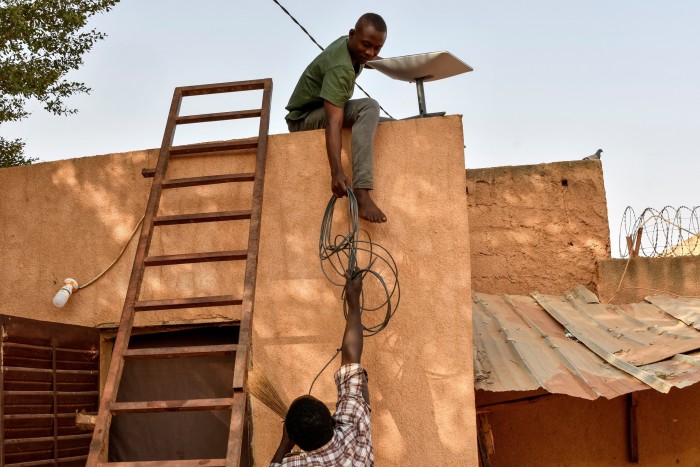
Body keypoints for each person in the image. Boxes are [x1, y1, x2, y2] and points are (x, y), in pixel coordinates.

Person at [285, 13, 388, 223]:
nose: (370, 52)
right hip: (303, 119)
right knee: (369, 107)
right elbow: (334, 122)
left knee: (384, 122)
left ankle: (362, 192)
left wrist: (401, 66)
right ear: (352, 35)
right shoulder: (339, 69)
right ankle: (362, 194)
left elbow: (368, 58)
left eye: (377, 48)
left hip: (319, 110)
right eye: (367, 45)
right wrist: (337, 172)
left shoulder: (350, 46)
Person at [269, 273, 373, 466]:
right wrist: (354, 303)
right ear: (333, 420)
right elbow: (351, 360)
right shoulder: (354, 425)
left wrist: (284, 444)